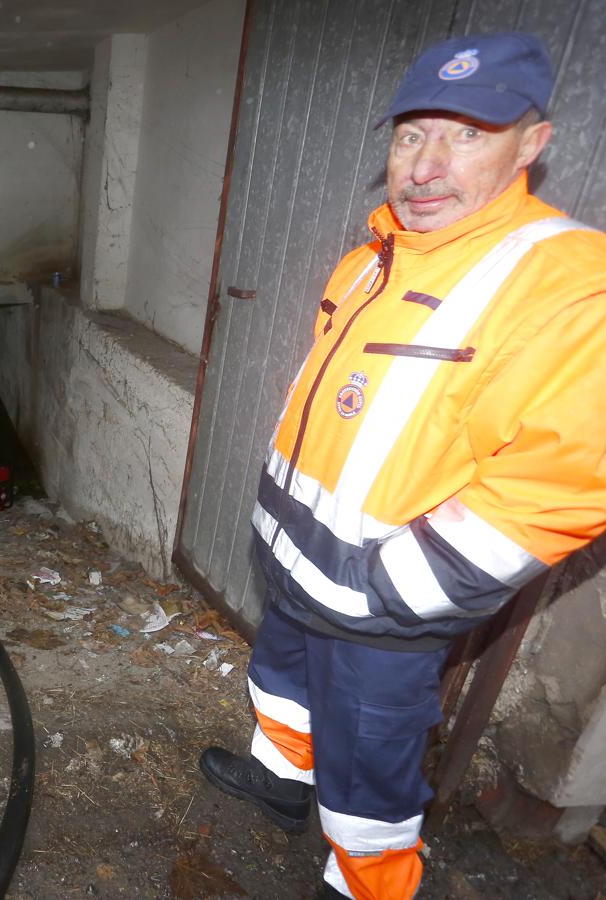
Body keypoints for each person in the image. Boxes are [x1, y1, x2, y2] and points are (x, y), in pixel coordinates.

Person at [197, 31, 606, 900]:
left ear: (531, 145)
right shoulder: (371, 258)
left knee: (370, 777)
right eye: (412, 134)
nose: (425, 166)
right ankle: (279, 781)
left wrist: (401, 594)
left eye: (467, 135)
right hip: (300, 565)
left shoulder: (569, 279)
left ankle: (366, 888)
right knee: (280, 687)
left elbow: (565, 476)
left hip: (382, 610)